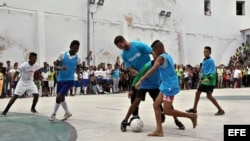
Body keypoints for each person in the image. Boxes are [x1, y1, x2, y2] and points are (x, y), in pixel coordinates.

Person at [114, 36, 184, 132]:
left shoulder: (138, 45)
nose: (120, 48)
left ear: (123, 41)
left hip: (153, 79)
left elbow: (153, 51)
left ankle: (176, 120)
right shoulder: (124, 55)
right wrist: (133, 71)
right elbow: (128, 67)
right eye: (119, 47)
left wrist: (157, 60)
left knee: (164, 101)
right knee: (136, 100)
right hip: (142, 80)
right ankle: (125, 120)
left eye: (120, 45)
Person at [135, 40, 197, 137]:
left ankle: (192, 116)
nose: (153, 53)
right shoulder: (168, 56)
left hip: (169, 86)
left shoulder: (160, 58)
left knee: (167, 111)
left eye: (154, 51)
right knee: (156, 105)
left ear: (158, 49)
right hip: (165, 85)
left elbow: (153, 69)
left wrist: (141, 79)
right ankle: (159, 130)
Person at [186, 46, 225, 115]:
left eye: (206, 52)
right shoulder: (204, 60)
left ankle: (220, 110)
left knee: (209, 96)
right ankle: (194, 109)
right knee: (197, 93)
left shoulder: (211, 61)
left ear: (210, 53)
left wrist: (209, 78)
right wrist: (201, 79)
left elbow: (213, 71)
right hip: (204, 80)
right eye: (204, 51)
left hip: (210, 81)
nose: (205, 53)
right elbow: (204, 71)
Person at [49, 40, 81, 121]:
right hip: (60, 80)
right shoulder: (62, 54)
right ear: (70, 46)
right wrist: (61, 68)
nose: (76, 50)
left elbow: (78, 67)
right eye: (74, 48)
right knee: (62, 98)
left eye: (77, 49)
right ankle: (67, 113)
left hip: (70, 80)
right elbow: (55, 67)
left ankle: (53, 114)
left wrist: (79, 75)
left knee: (58, 97)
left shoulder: (78, 58)